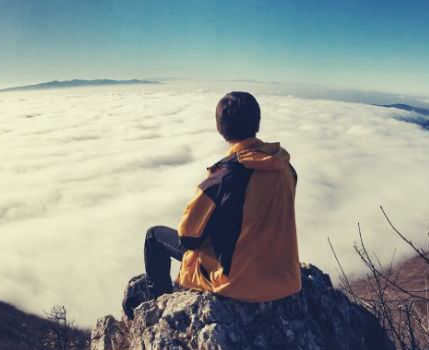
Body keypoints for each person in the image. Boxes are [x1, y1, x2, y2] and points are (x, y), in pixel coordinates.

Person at [123, 91, 301, 318]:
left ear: (220, 128)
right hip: (285, 278)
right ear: (257, 123)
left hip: (239, 282)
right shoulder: (285, 168)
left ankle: (158, 304)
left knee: (153, 237)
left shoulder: (225, 177)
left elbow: (188, 237)